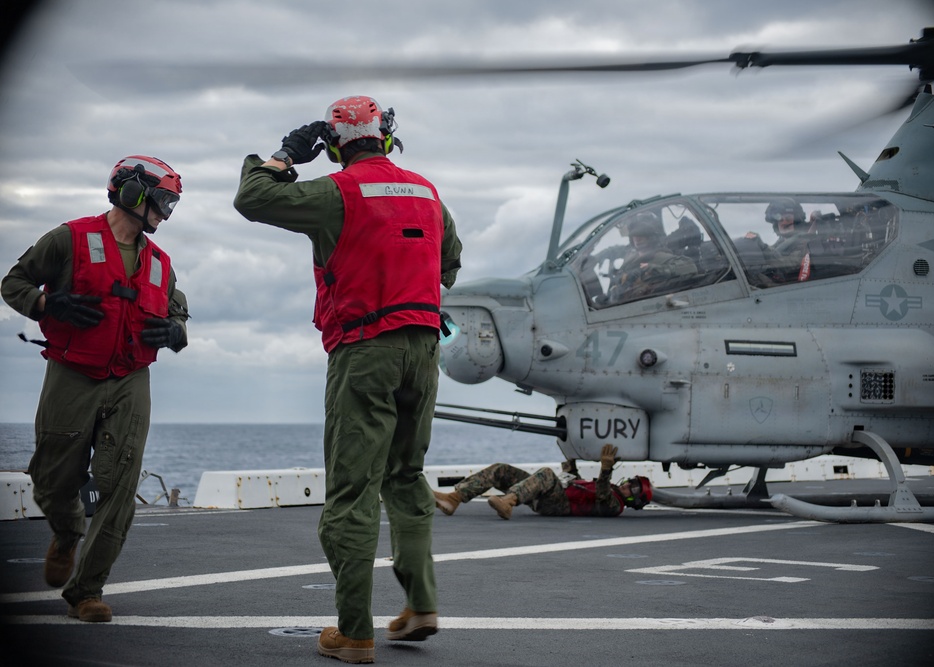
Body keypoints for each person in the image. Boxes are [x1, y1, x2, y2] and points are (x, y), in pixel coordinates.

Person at [233, 95, 462, 664]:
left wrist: (287, 154)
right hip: (424, 349)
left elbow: (252, 198)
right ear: (386, 136)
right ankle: (421, 604)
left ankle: (355, 632)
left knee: (352, 491)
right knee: (406, 477)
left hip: (365, 350)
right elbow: (450, 264)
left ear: (335, 146)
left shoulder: (338, 192)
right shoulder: (427, 192)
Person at [1, 155, 188, 623]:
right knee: (51, 478)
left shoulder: (161, 263)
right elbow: (13, 282)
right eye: (163, 201)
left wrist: (176, 331)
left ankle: (86, 591)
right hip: (72, 372)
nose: (167, 213)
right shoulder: (69, 239)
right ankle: (67, 533)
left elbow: (177, 310)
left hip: (131, 378)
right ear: (132, 192)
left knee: (119, 486)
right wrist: (45, 304)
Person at [433, 445, 654, 520]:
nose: (628, 485)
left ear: (634, 500)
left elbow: (602, 494)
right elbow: (577, 482)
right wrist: (570, 456)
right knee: (502, 470)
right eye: (631, 482)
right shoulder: (613, 490)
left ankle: (508, 503)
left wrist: (606, 469)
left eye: (633, 488)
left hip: (559, 505)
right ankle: (454, 498)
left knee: (546, 473)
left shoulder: (615, 506)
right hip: (554, 494)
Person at [607, 213, 698, 303]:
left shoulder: (660, 257)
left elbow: (690, 266)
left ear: (650, 237)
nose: (637, 239)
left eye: (641, 235)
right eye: (634, 236)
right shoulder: (629, 259)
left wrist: (658, 269)